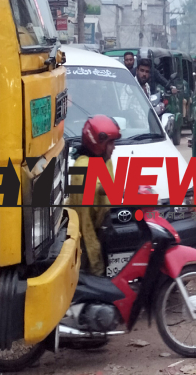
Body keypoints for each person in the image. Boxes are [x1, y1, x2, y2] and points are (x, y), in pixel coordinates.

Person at [72, 115, 121, 276]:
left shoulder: (105, 160)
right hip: (83, 232)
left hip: (101, 225)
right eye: (111, 143)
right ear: (97, 144)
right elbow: (100, 187)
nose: (114, 147)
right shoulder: (82, 167)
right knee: (90, 275)